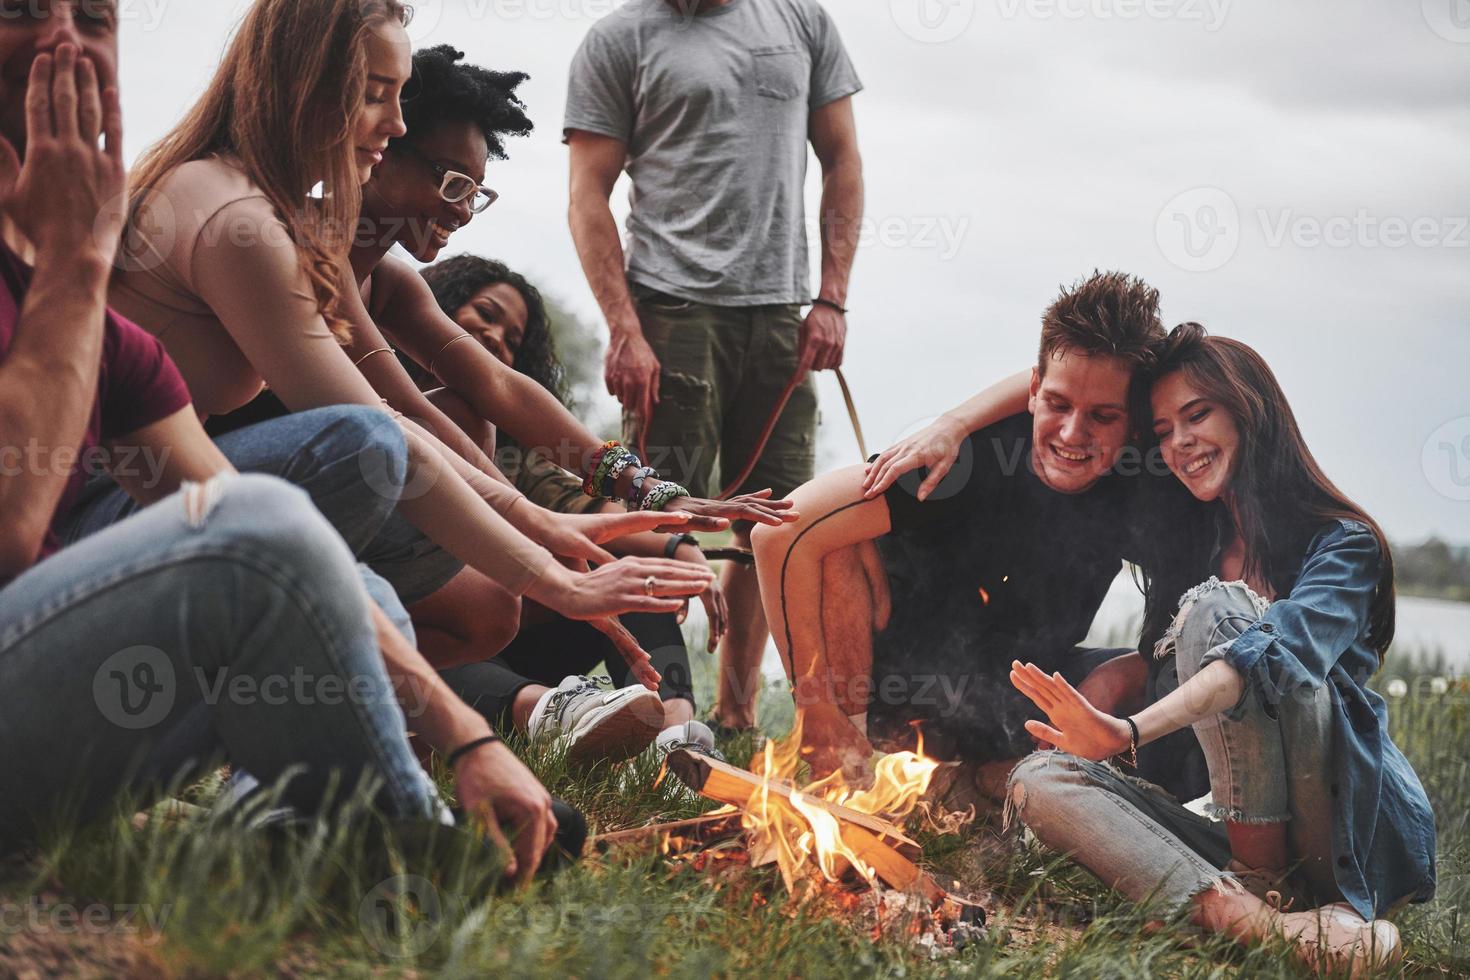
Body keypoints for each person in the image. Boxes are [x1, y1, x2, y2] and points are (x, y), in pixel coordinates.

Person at [0, 8, 567, 885]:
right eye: (22, 10)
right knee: (302, 498)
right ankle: (404, 845)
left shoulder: (105, 289)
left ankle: (312, 826)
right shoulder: (186, 223)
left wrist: (468, 739)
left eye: (93, 17)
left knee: (341, 574)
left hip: (66, 675)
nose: (65, 45)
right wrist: (75, 269)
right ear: (308, 85)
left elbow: (394, 421)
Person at [107, 0, 720, 701]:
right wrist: (547, 559)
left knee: (457, 601)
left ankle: (286, 712)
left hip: (194, 495)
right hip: (112, 508)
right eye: (376, 95)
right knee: (365, 455)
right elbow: (383, 428)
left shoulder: (315, 246)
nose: (395, 120)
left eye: (398, 97)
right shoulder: (239, 223)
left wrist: (607, 498)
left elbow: (475, 391)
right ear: (308, 82)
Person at [1006, 323, 1435, 973]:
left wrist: (1123, 731)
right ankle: (1257, 922)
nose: (1180, 443)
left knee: (1218, 609)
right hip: (1240, 832)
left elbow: (1251, 661)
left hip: (1343, 829)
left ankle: (1271, 896)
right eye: (1163, 431)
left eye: (1197, 415)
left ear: (1248, 411)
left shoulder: (1344, 545)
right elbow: (1071, 415)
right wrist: (954, 424)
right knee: (1039, 780)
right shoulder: (1190, 548)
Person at [750, 272, 1175, 802]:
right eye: (1059, 405)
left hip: (1019, 700)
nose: (1071, 434)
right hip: (894, 688)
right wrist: (815, 708)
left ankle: (980, 788)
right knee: (837, 539)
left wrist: (1116, 679)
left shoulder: (1144, 486)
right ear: (1034, 392)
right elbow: (780, 532)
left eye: (1102, 417)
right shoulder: (960, 456)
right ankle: (847, 771)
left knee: (1179, 682)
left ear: (1135, 423)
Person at [565, 0, 864, 733]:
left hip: (780, 315)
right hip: (670, 313)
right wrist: (623, 328)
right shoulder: (618, 39)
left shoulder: (802, 21)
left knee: (780, 522)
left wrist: (832, 298)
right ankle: (669, 714)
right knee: (656, 514)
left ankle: (733, 720)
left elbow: (844, 160)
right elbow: (586, 195)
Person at [417, 254, 728, 761]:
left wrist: (680, 544)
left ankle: (673, 739)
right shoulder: (366, 405)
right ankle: (552, 714)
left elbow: (588, 510)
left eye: (513, 340)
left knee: (625, 573)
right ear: (434, 311)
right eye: (486, 314)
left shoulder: (513, 452)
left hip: (508, 635)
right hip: (422, 638)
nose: (496, 337)